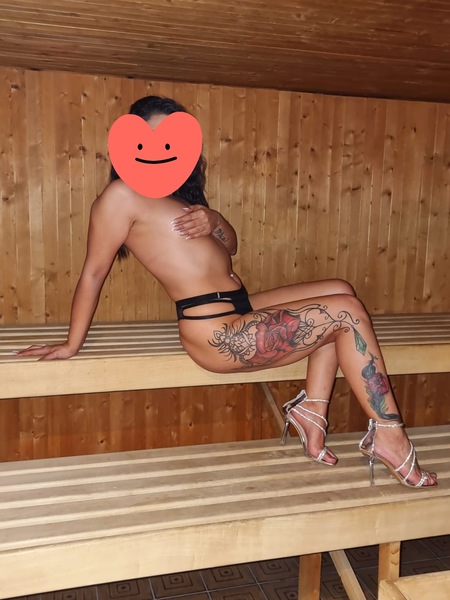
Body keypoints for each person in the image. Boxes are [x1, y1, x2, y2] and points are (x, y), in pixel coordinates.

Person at [17, 96, 437, 488]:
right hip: (215, 331)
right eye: (152, 139)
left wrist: (213, 219)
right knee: (344, 313)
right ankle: (389, 434)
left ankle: (312, 410)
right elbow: (94, 272)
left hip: (238, 305)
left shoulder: (179, 196)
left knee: (340, 291)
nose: (161, 149)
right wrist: (72, 344)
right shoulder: (121, 196)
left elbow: (230, 247)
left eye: (170, 141)